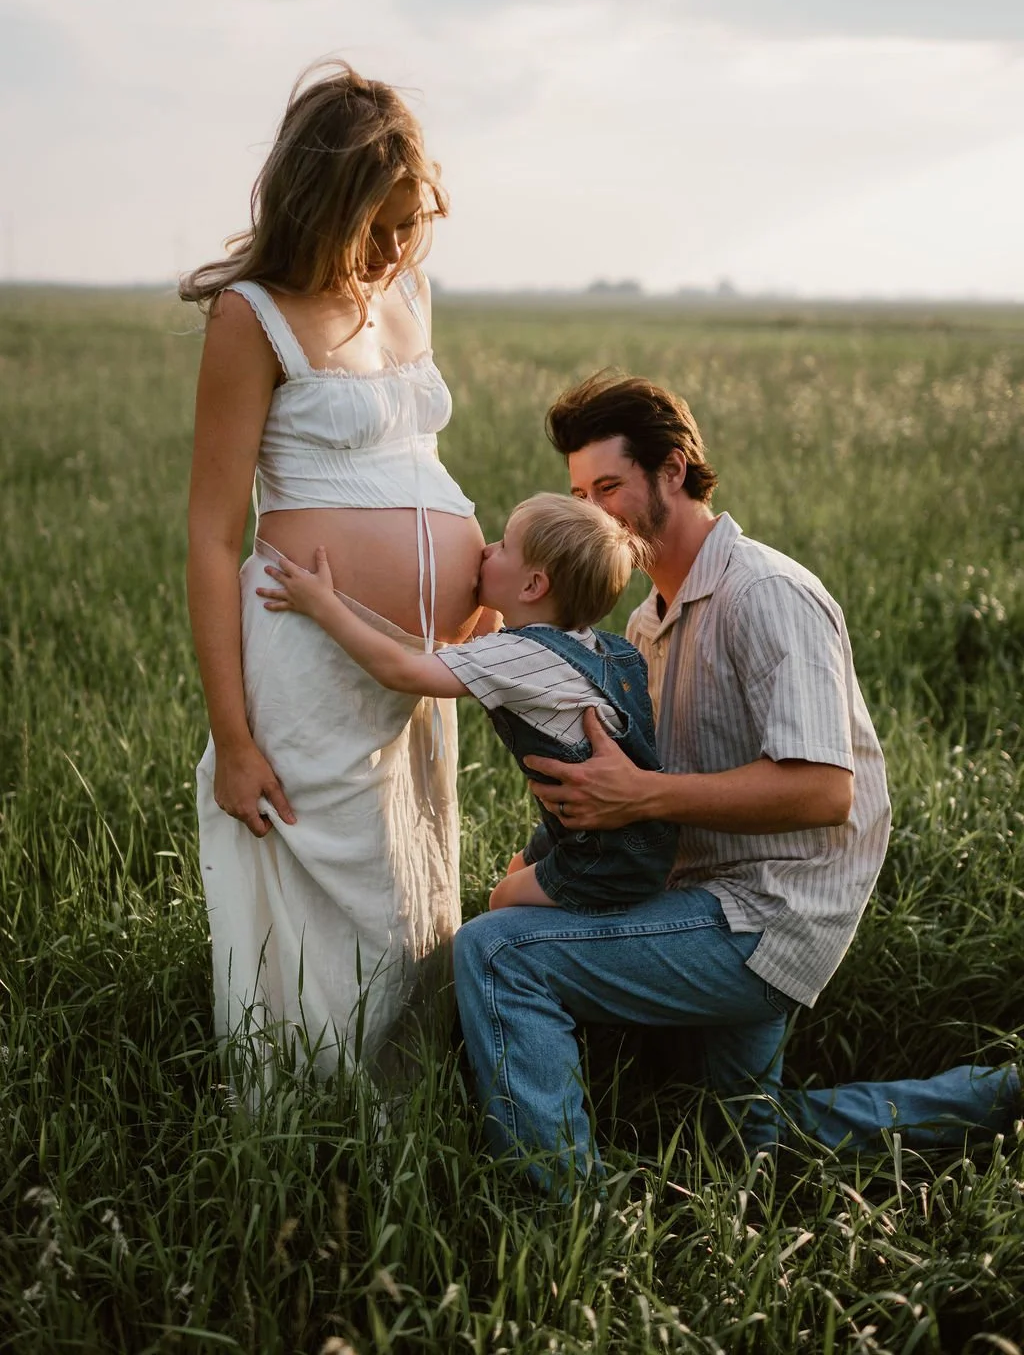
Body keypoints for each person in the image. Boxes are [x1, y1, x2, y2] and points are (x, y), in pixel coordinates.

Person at [453, 372, 1019, 1190]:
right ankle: (1000, 1098)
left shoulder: (769, 593)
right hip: (696, 895)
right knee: (737, 1141)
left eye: (607, 488)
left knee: (500, 952)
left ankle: (559, 1221)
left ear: (673, 471)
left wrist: (642, 798)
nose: (590, 515)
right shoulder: (645, 622)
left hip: (768, 918)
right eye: (578, 493)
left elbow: (825, 791)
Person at [182, 61, 487, 1084]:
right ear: (324, 201)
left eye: (411, 223)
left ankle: (406, 1117)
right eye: (380, 224)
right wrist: (232, 739)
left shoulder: (406, 291)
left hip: (419, 669)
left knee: (410, 887)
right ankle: (309, 1123)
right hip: (307, 658)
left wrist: (473, 595)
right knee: (327, 896)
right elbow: (212, 535)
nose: (398, 247)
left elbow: (420, 467)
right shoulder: (251, 318)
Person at [257, 492, 679, 915]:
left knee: (503, 901)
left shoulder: (519, 657)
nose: (486, 550)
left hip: (607, 854)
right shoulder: (605, 650)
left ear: (533, 586)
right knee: (519, 869)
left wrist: (323, 605)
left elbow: (401, 672)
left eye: (503, 546)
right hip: (626, 836)